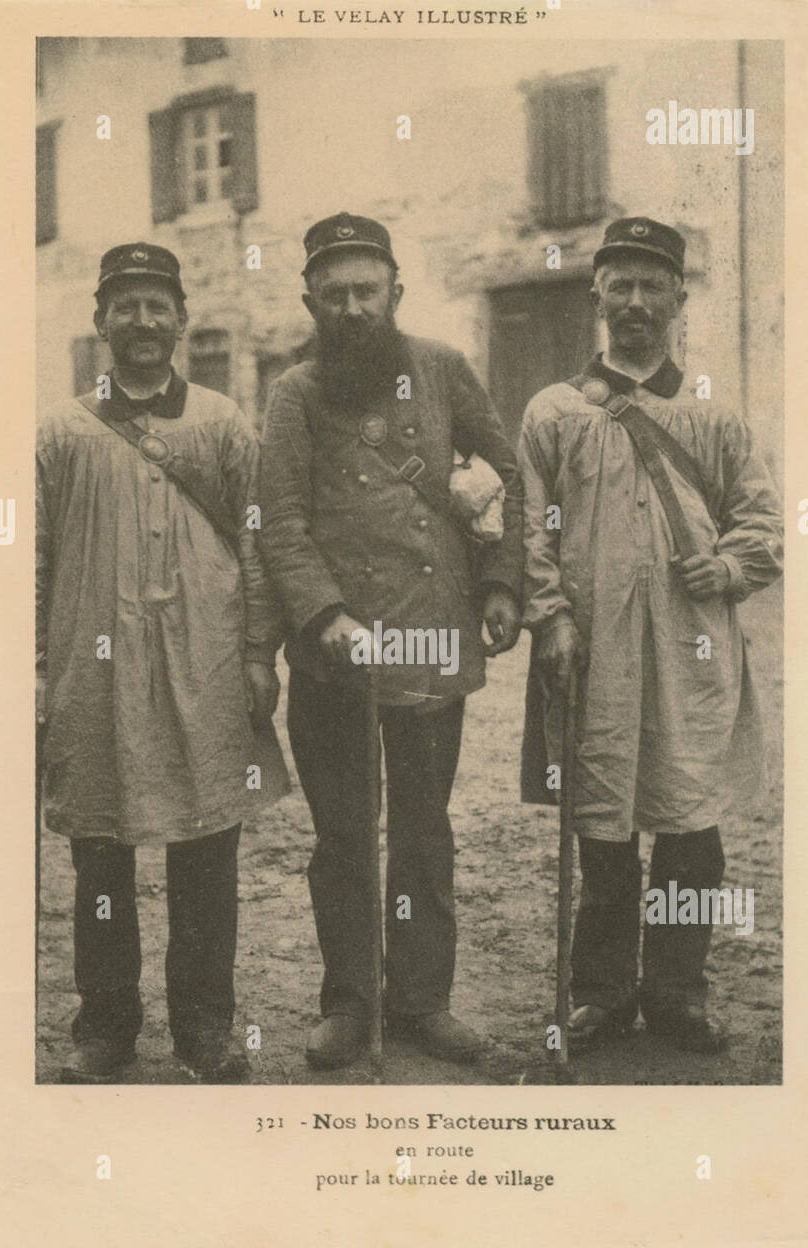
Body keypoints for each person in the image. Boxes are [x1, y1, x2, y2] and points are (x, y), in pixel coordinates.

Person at [258, 213, 524, 1068]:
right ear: (310, 302)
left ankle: (421, 1002)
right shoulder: (294, 394)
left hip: (430, 643)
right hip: (334, 657)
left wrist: (500, 584)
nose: (351, 309)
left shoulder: (443, 371)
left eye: (365, 290)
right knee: (341, 836)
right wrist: (324, 615)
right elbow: (281, 521)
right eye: (332, 295)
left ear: (395, 293)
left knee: (422, 830)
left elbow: (508, 479)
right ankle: (349, 1004)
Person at [519, 217, 783, 1053]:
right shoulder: (555, 412)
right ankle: (600, 994)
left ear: (677, 297)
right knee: (601, 827)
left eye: (651, 285)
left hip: (689, 650)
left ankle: (676, 992)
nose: (634, 301)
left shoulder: (712, 412)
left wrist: (732, 569)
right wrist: (553, 616)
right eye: (619, 284)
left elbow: (762, 521)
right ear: (595, 294)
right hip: (592, 653)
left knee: (688, 823)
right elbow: (532, 533)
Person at [36, 242, 288, 1084]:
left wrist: (257, 651)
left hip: (203, 665)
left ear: (181, 321)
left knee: (206, 846)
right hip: (94, 671)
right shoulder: (63, 430)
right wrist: (38, 674)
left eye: (158, 307)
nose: (143, 322)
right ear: (100, 320)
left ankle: (204, 1031)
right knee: (101, 851)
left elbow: (256, 544)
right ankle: (104, 1029)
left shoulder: (220, 422)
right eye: (126, 306)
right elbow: (32, 561)